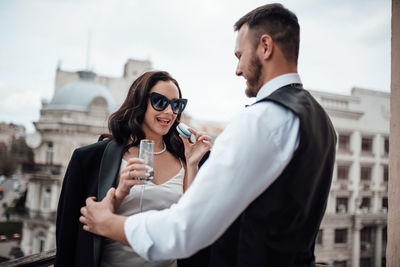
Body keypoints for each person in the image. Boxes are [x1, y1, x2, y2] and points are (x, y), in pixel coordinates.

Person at [79, 3, 337, 267]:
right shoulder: (321, 119)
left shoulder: (260, 120)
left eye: (240, 55)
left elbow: (185, 229)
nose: (238, 69)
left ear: (265, 46)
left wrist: (108, 223)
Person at [55, 71, 212, 267]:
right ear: (139, 102)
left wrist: (192, 164)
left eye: (176, 105)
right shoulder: (89, 159)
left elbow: (191, 221)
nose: (170, 112)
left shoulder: (187, 160)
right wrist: (121, 191)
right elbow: (71, 233)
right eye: (160, 102)